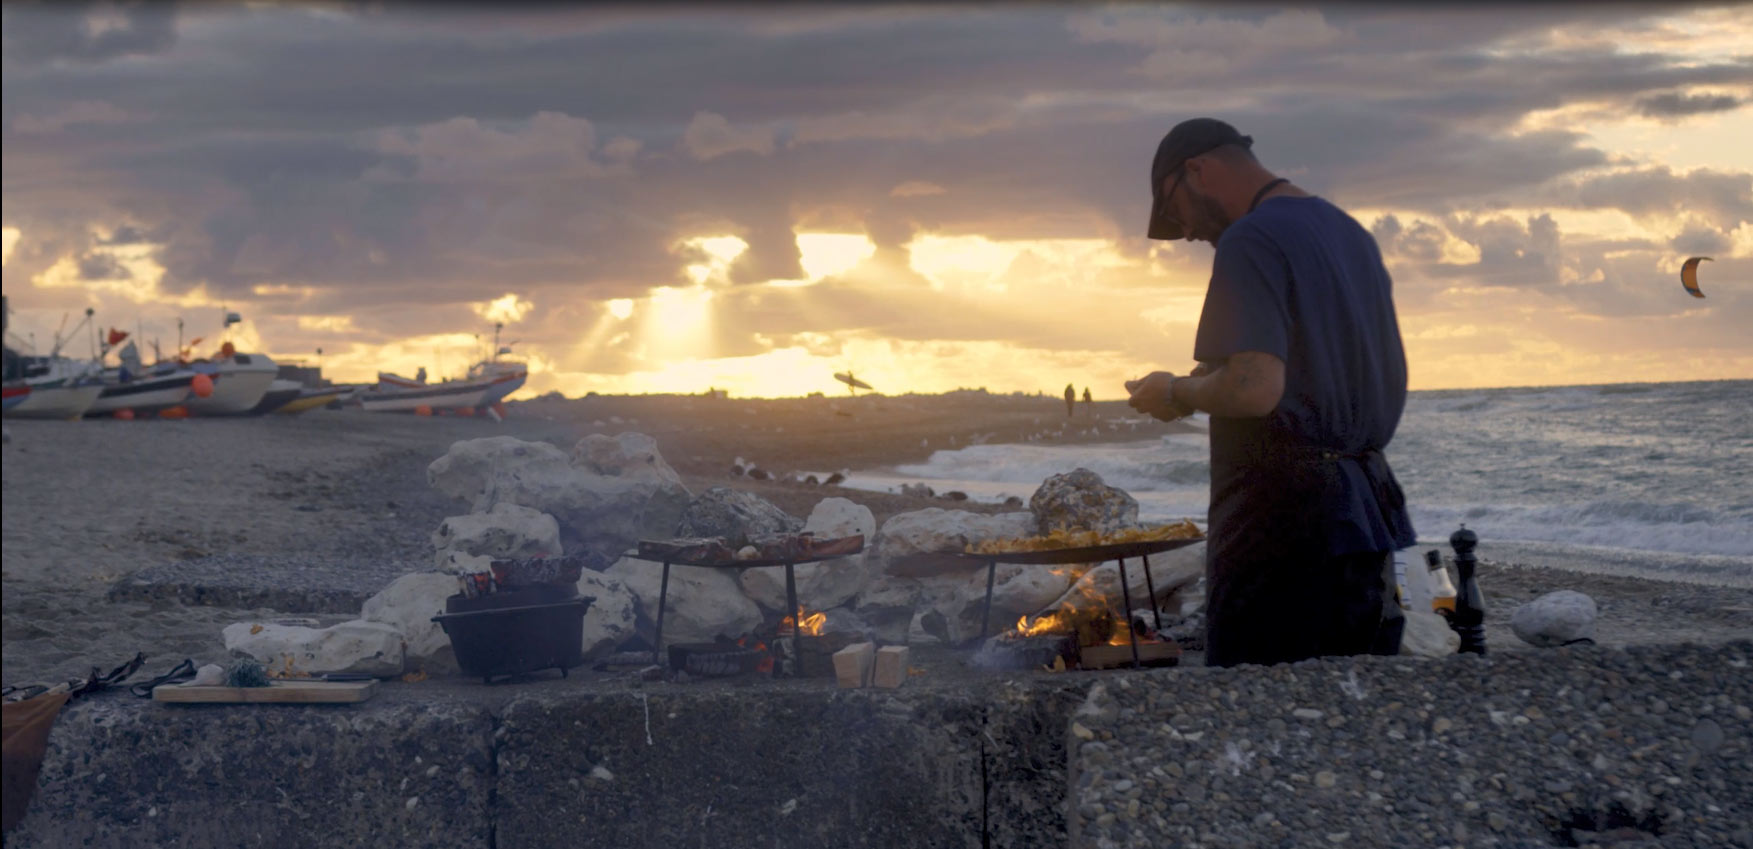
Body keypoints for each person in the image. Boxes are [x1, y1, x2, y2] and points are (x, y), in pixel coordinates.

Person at [1125, 118, 1416, 668]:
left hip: (1281, 530)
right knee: (1347, 714)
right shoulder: (1349, 234)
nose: (1183, 231)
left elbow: (1253, 387)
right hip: (1362, 520)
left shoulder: (1250, 239)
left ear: (1197, 171)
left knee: (1254, 719)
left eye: (1171, 210)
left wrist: (1177, 392)